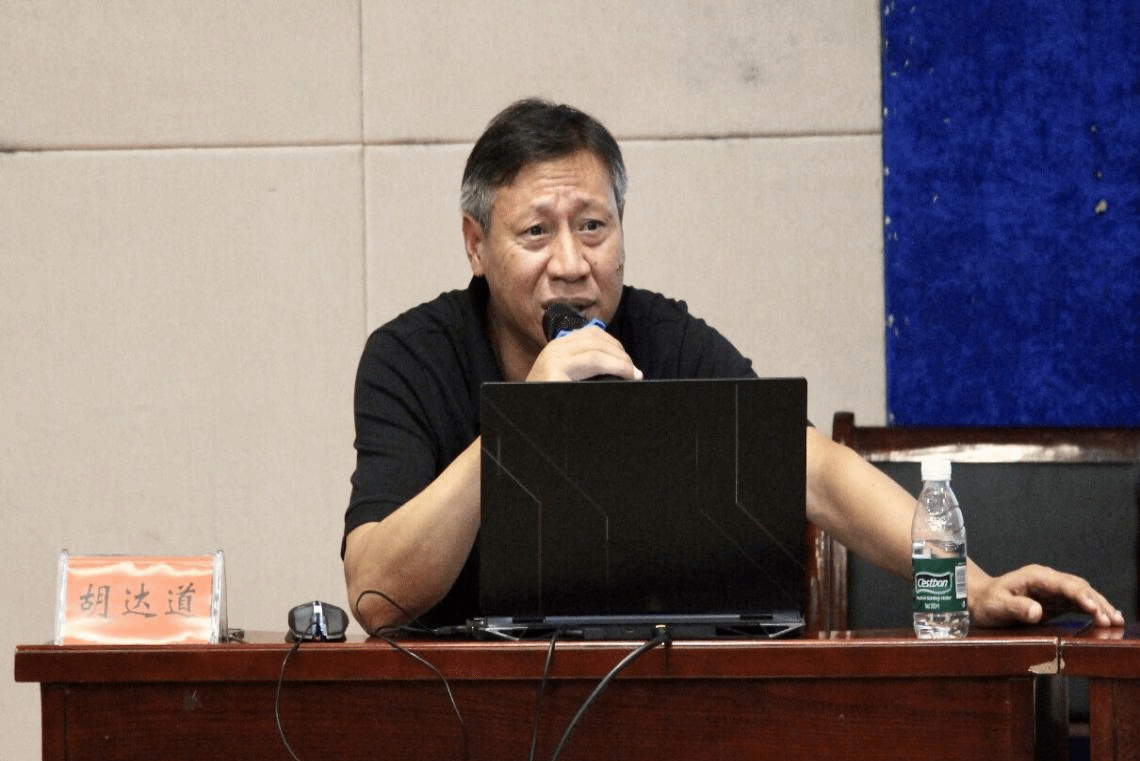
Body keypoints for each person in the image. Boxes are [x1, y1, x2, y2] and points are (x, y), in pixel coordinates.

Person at [342, 98, 1123, 634]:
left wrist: (971, 584)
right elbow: (376, 596)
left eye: (594, 227)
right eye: (536, 233)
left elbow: (818, 474)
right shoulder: (411, 357)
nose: (573, 263)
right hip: (457, 712)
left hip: (642, 694)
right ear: (476, 245)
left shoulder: (664, 338)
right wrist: (520, 428)